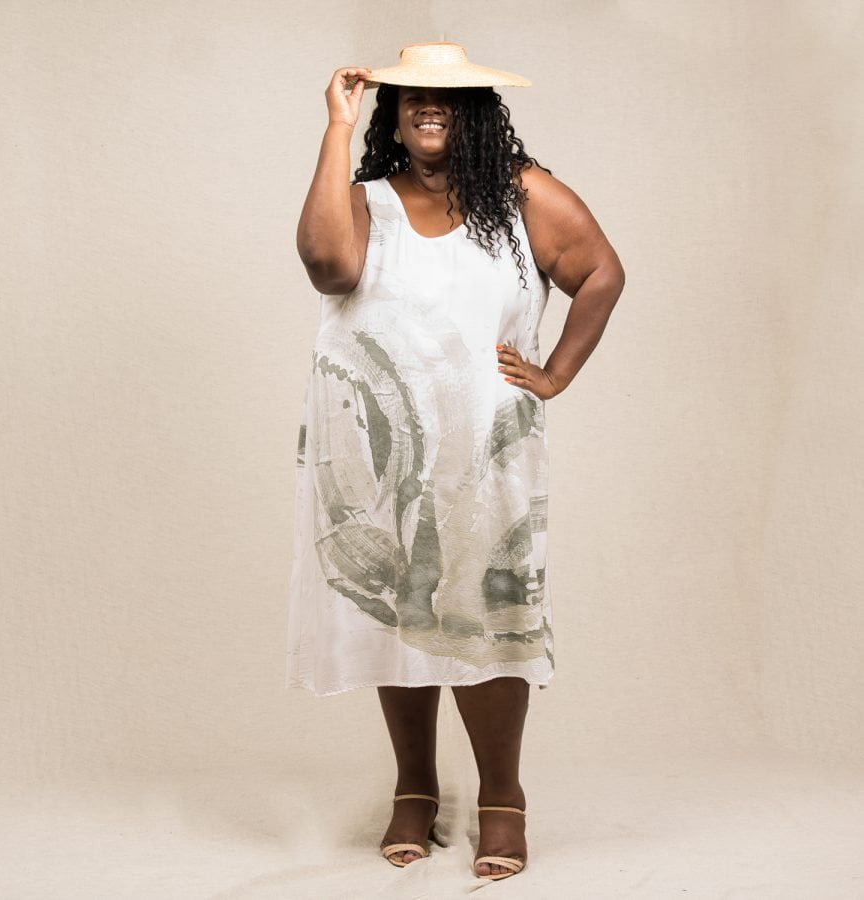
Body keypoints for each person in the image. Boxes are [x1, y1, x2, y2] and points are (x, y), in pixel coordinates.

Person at [287, 42, 625, 880]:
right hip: (378, 453)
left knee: (489, 613)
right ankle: (415, 787)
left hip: (485, 448)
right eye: (413, 97)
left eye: (449, 98)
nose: (430, 107)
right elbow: (327, 267)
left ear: (476, 111)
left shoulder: (522, 195)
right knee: (397, 609)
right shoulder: (366, 201)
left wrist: (555, 373)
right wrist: (336, 127)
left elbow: (600, 272)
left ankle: (503, 795)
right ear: (395, 114)